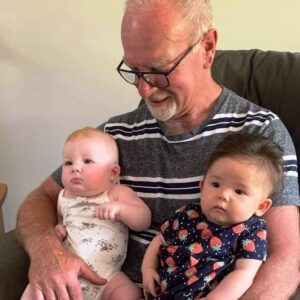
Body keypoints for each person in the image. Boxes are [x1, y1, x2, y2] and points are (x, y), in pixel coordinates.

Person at [17, 1, 300, 299]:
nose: (144, 89)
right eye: (134, 71)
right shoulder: (113, 137)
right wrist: (44, 249)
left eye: (159, 70)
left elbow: (286, 259)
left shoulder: (259, 132)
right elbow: (42, 197)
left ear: (207, 47)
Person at [142, 132, 283, 299]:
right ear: (202, 187)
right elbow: (160, 239)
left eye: (239, 191)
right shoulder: (187, 213)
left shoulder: (250, 231)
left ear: (261, 206)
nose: (223, 195)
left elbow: (244, 273)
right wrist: (148, 269)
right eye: (216, 184)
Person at [20, 127, 151, 300]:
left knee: (129, 294)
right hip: (64, 272)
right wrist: (58, 230)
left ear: (113, 172)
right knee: (33, 291)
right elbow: (61, 221)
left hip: (106, 276)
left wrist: (120, 209)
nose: (75, 168)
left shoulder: (116, 193)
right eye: (68, 163)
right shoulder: (63, 196)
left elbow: (144, 220)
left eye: (87, 161)